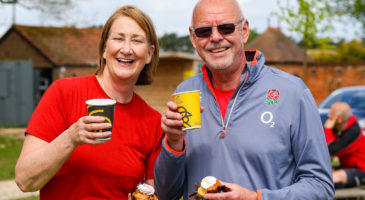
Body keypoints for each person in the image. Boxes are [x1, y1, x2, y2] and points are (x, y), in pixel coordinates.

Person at [154, 0, 334, 199]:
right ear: (193, 38)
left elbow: (320, 187)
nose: (215, 37)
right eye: (204, 31)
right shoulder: (185, 92)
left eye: (226, 28)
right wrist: (173, 142)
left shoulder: (292, 93)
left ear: (245, 30)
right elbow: (166, 194)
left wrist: (256, 197)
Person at [15, 5, 164, 199]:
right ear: (104, 49)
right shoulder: (63, 93)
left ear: (149, 54)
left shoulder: (153, 123)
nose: (126, 49)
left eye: (136, 41)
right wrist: (70, 138)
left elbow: (152, 194)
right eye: (118, 38)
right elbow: (25, 180)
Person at [324, 102, 365, 188]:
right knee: (322, 175)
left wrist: (327, 129)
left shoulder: (353, 132)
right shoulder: (340, 127)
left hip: (361, 170)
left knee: (332, 178)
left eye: (332, 114)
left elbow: (331, 149)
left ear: (340, 119)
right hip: (347, 167)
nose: (328, 116)